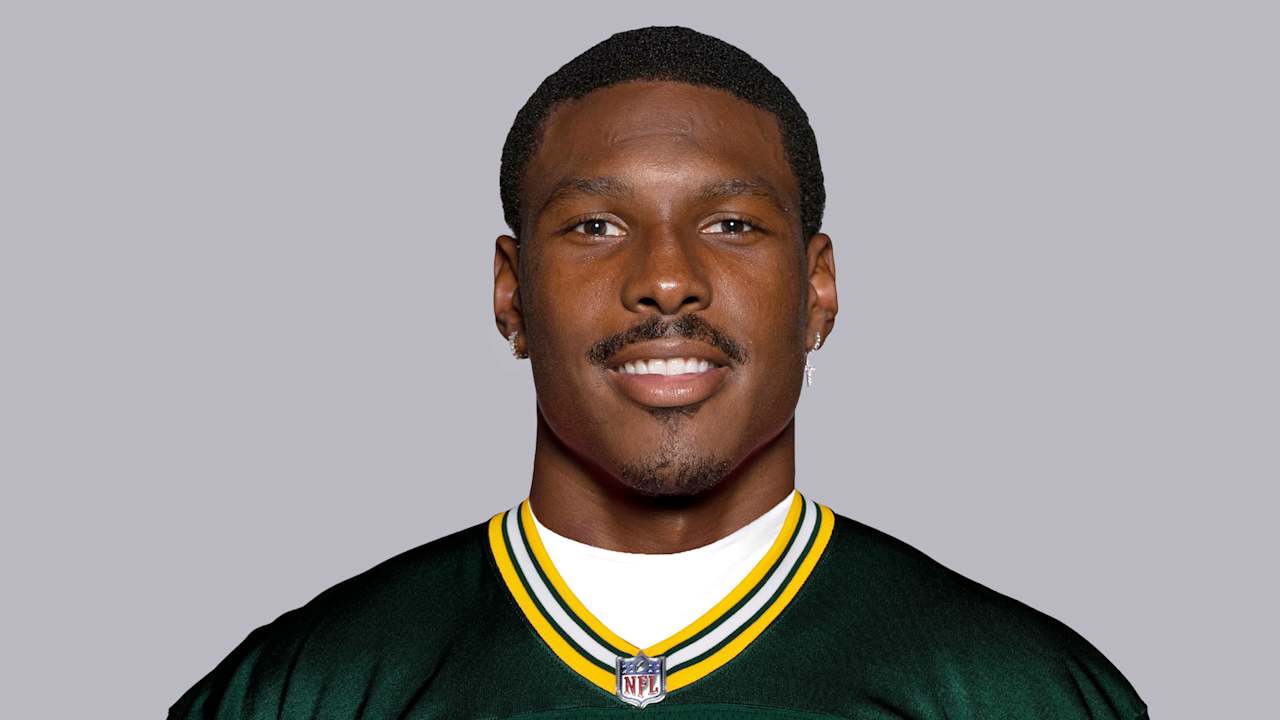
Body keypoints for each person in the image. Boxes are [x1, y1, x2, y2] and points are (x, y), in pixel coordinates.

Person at [170, 25, 1148, 719]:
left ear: (817, 290)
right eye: (596, 225)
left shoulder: (1014, 690)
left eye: (731, 224)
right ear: (511, 292)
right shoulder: (307, 689)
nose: (667, 278)